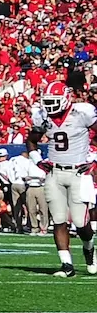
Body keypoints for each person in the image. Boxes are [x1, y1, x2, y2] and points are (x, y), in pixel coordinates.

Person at [34, 79, 97, 275]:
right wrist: (37, 159)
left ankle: (88, 249)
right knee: (59, 219)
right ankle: (67, 265)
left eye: (55, 101)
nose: (51, 106)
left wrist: (94, 158)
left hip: (78, 172)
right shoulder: (43, 116)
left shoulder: (82, 113)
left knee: (81, 223)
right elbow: (31, 139)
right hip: (54, 173)